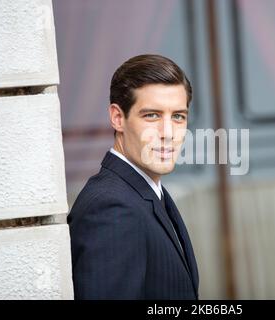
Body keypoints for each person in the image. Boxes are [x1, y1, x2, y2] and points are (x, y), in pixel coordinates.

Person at [67, 54, 199, 299]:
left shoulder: (142, 192)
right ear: (118, 118)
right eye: (152, 115)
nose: (168, 133)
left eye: (178, 116)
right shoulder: (111, 208)